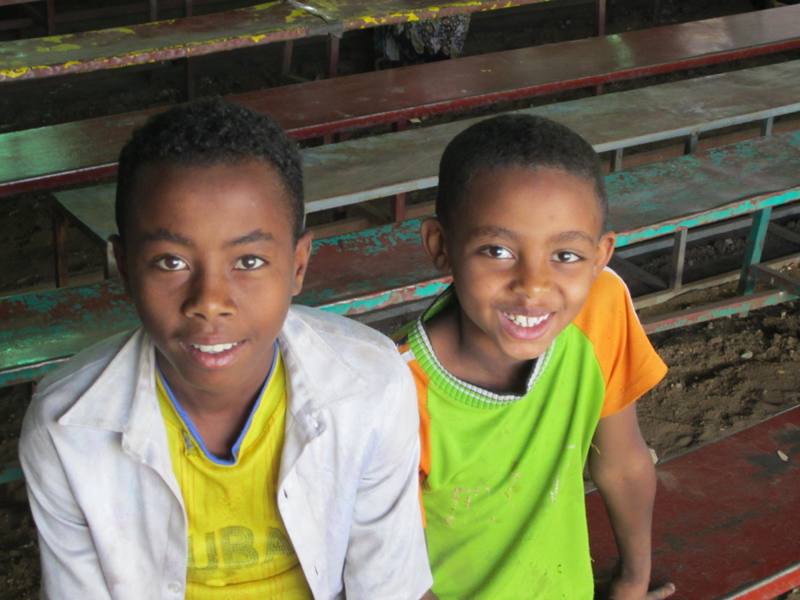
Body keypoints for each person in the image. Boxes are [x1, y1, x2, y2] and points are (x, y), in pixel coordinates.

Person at [19, 98, 432, 599]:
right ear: (125, 268)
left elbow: (390, 589)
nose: (210, 302)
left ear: (298, 266)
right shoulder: (67, 427)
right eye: (171, 262)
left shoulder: (371, 386)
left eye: (250, 261)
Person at [397, 114, 676, 599]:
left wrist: (632, 580)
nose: (534, 285)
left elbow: (623, 463)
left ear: (600, 255)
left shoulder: (599, 308)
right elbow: (401, 577)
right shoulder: (396, 391)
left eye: (565, 256)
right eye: (497, 250)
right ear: (441, 247)